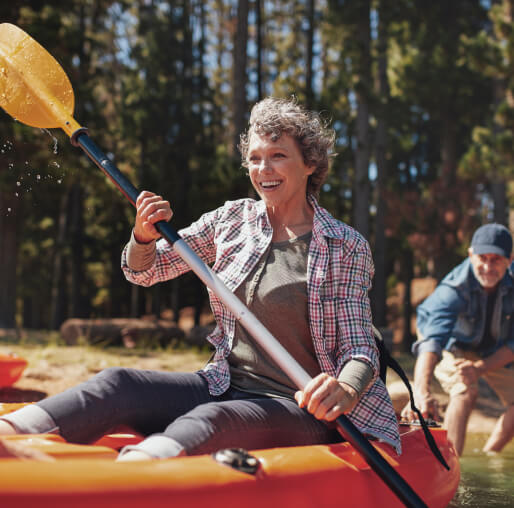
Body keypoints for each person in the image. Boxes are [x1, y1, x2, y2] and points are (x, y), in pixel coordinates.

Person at [0, 97, 400, 461]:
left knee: (214, 418)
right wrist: (142, 235)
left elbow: (359, 347)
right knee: (117, 383)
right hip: (224, 383)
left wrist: (345, 389)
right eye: (256, 158)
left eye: (278, 156)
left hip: (300, 406)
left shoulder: (342, 245)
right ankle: (9, 434)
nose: (264, 170)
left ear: (310, 163)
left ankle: (134, 474)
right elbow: (146, 270)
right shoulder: (231, 220)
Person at [401, 223, 514, 456]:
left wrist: (480, 368)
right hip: (450, 343)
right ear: (471, 255)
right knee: (464, 391)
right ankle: (450, 463)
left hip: (491, 349)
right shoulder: (454, 288)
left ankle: (490, 456)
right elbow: (432, 342)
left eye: (496, 260)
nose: (487, 266)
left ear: (510, 259)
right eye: (482, 258)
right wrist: (422, 392)